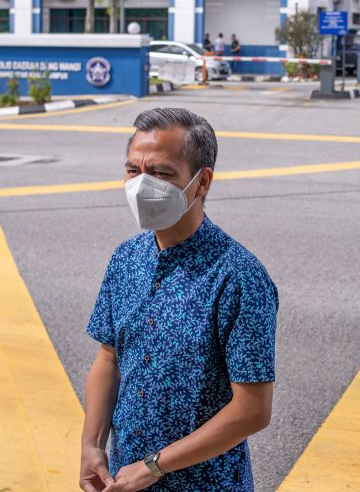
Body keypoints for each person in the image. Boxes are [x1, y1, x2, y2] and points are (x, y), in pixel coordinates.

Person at [81, 108, 278, 492]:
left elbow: (253, 410)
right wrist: (91, 444)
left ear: (202, 182)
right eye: (133, 171)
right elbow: (108, 359)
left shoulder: (238, 277)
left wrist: (155, 466)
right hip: (122, 480)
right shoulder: (126, 258)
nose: (142, 185)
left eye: (162, 173)